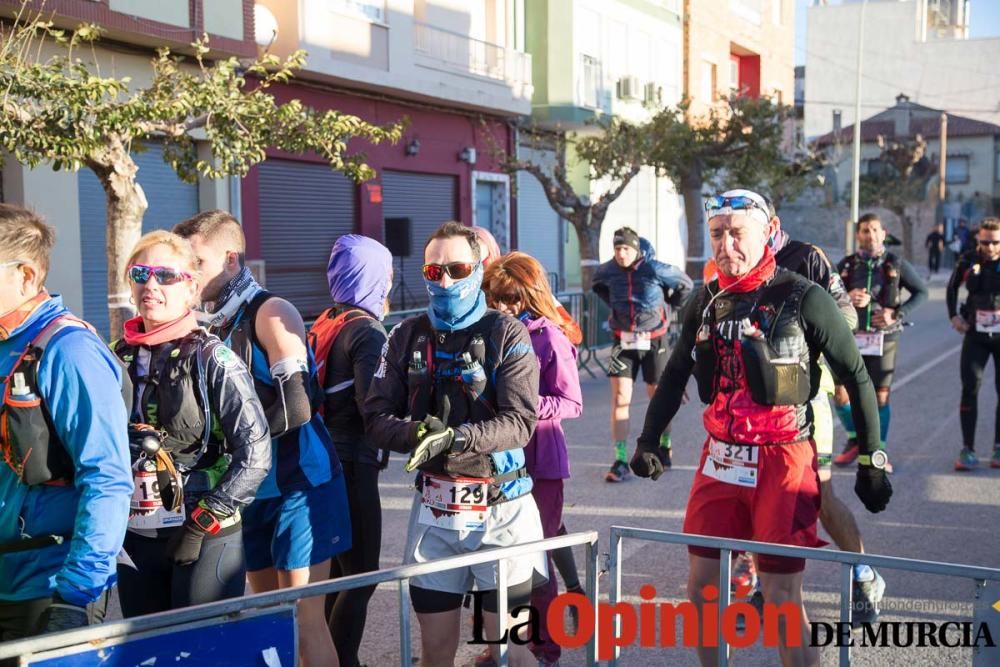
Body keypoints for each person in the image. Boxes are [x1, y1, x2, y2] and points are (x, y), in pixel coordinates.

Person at [632, 189, 891, 667]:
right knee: (703, 589)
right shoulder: (705, 299)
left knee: (780, 597)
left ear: (767, 230)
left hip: (784, 456)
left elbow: (855, 374)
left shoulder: (804, 295)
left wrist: (873, 459)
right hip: (721, 456)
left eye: (737, 234)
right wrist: (650, 438)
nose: (726, 245)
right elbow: (674, 372)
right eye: (716, 235)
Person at [365, 221, 546, 667]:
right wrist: (415, 435)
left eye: (456, 268)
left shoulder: (508, 333)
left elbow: (521, 422)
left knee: (510, 650)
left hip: (502, 513)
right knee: (436, 653)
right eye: (433, 272)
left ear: (478, 268)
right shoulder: (405, 334)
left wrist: (457, 437)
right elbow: (374, 415)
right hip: (434, 515)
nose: (444, 280)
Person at [174, 211, 350, 667]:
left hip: (299, 485)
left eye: (198, 262)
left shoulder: (271, 311)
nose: (188, 274)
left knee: (303, 617)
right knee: (268, 618)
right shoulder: (202, 322)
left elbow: (297, 408)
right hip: (248, 491)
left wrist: (226, 444)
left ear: (231, 259)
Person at [113, 231, 271, 617]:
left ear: (191, 289)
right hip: (137, 530)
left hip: (204, 530)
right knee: (148, 653)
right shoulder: (116, 355)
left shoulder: (212, 357)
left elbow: (256, 455)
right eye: (140, 274)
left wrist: (202, 522)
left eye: (165, 276)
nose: (150, 285)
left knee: (202, 651)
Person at [0, 205, 132, 640]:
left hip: (48, 587)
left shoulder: (69, 351)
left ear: (26, 275)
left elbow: (108, 478)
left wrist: (75, 596)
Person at [759, 196, 885, 625]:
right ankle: (762, 584)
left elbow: (846, 314)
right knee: (758, 490)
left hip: (806, 390)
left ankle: (864, 573)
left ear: (770, 223)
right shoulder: (737, 262)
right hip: (755, 399)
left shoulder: (806, 257)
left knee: (820, 494)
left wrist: (808, 331)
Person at [482, 251, 583, 667]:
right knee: (493, 558)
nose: (503, 307)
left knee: (534, 558)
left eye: (511, 299)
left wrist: (521, 405)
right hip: (494, 459)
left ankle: (544, 649)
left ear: (529, 295)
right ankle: (502, 645)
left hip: (540, 460)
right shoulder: (486, 332)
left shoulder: (550, 336)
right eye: (496, 298)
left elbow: (571, 402)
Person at [314, 235, 393, 667]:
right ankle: (344, 661)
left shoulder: (328, 318)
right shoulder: (367, 331)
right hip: (354, 463)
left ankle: (327, 657)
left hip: (323, 459)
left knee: (340, 575)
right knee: (361, 578)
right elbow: (372, 405)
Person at [592, 226, 692, 482]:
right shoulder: (608, 270)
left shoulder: (654, 268)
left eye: (626, 248)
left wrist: (669, 307)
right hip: (622, 340)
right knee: (620, 398)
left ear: (636, 250)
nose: (621, 254)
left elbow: (686, 284)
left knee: (658, 397)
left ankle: (664, 444)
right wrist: (615, 307)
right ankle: (620, 459)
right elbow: (596, 284)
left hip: (654, 339)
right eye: (617, 249)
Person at [832, 213, 928, 468]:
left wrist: (895, 313)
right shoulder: (847, 265)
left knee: (879, 397)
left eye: (874, 230)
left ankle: (877, 454)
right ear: (858, 235)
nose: (870, 235)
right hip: (851, 338)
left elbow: (922, 292)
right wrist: (847, 297)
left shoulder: (896, 264)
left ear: (883, 233)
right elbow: (827, 295)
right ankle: (855, 438)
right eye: (864, 230)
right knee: (840, 394)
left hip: (883, 339)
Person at [946, 217, 1000, 471]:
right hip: (975, 333)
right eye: (985, 242)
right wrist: (954, 317)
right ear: (978, 238)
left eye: (995, 243)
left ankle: (998, 447)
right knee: (970, 389)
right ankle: (968, 448)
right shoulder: (968, 259)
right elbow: (952, 288)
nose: (990, 247)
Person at [474, 225, 583, 346]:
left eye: (480, 261)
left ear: (493, 253)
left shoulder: (522, 283)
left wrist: (536, 344)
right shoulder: (459, 294)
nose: (501, 306)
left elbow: (573, 333)